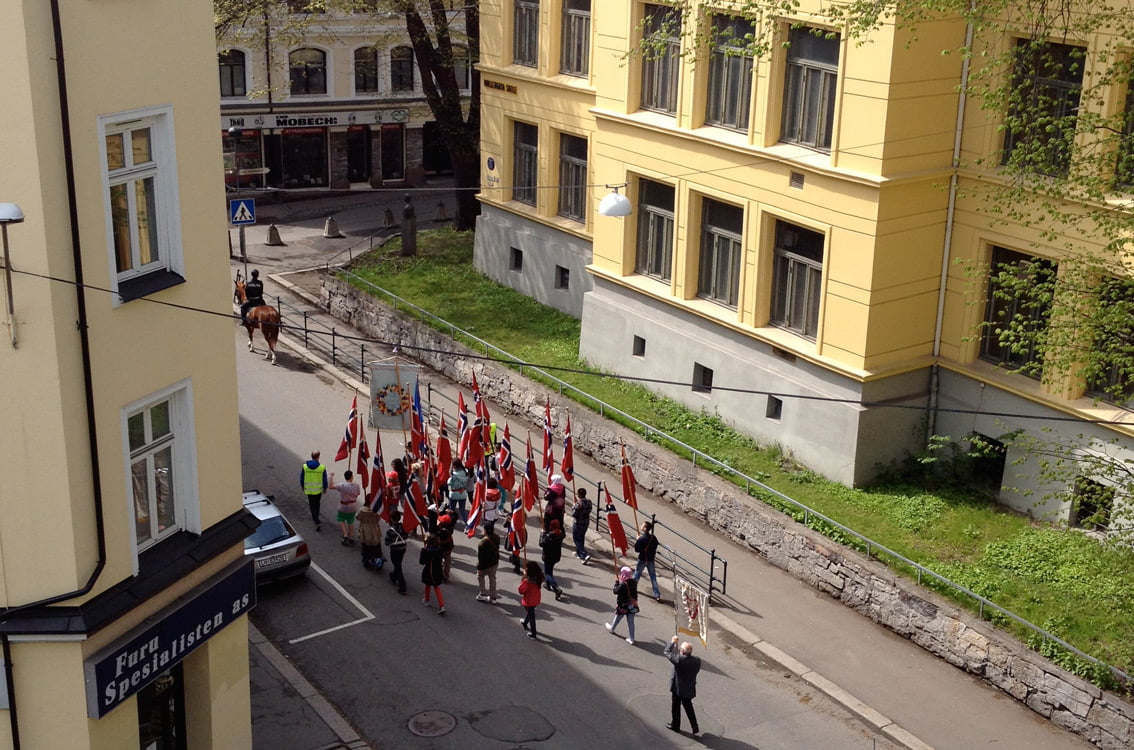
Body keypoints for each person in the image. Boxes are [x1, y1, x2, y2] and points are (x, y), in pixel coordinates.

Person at [664, 636, 702, 735]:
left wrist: (672, 642)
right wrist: (678, 648)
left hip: (677, 688)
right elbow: (678, 657)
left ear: (682, 651)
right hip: (688, 688)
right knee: (688, 706)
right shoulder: (697, 661)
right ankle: (694, 726)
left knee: (676, 707)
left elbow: (667, 652)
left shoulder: (679, 660)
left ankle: (675, 725)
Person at [605, 566, 639, 645]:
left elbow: (615, 591)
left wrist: (616, 583)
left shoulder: (622, 585)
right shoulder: (634, 582)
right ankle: (631, 638)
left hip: (623, 605)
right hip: (632, 605)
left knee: (617, 617)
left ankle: (612, 628)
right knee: (631, 622)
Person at [329, 470, 362, 546]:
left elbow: (330, 486)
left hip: (343, 506)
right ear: (351, 477)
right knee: (351, 521)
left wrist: (331, 477)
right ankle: (350, 536)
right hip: (353, 506)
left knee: (341, 519)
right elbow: (358, 494)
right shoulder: (356, 485)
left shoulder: (342, 485)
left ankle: (345, 534)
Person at [300, 450, 328, 531]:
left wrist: (302, 486)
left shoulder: (305, 466)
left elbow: (302, 478)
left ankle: (316, 519)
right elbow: (324, 479)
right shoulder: (321, 467)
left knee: (312, 505)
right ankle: (317, 518)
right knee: (317, 503)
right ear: (318, 457)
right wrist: (325, 488)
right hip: (318, 490)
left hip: (309, 490)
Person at [634, 521, 662, 600]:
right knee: (653, 576)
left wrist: (638, 540)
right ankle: (657, 594)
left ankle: (632, 588)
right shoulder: (653, 538)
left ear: (645, 528)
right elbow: (655, 545)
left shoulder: (642, 539)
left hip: (642, 559)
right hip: (651, 559)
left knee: (637, 573)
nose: (641, 526)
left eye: (642, 525)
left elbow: (637, 549)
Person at [419, 533, 446, 614]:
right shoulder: (439, 549)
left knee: (427, 584)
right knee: (436, 587)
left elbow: (422, 562)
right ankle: (441, 605)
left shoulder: (426, 551)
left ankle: (427, 600)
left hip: (429, 570)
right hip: (438, 570)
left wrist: (423, 551)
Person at [518, 560, 544, 640]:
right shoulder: (538, 577)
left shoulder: (527, 582)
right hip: (535, 598)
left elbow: (521, 590)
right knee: (530, 612)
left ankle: (533, 633)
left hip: (529, 601)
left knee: (531, 615)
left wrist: (523, 578)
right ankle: (525, 623)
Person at [539, 519, 565, 601]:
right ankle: (547, 584)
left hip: (548, 556)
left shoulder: (549, 536)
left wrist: (542, 534)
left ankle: (556, 587)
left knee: (547, 573)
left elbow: (541, 543)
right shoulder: (560, 534)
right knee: (550, 570)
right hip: (556, 556)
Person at [384, 510, 408, 594]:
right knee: (398, 563)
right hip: (403, 548)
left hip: (395, 550)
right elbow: (406, 536)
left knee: (397, 566)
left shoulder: (390, 531)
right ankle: (393, 576)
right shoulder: (403, 527)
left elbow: (387, 542)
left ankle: (403, 585)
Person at [475, 522, 500, 603]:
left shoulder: (482, 543)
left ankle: (482, 593)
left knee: (480, 576)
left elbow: (481, 558)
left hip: (486, 564)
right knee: (492, 579)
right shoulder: (497, 537)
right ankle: (493, 597)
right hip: (495, 562)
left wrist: (479, 567)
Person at [356, 501, 384, 569]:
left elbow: (358, 517)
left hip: (365, 530)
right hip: (375, 529)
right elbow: (379, 519)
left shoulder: (362, 510)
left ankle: (366, 561)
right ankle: (378, 560)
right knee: (376, 546)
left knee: (365, 547)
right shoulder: (377, 510)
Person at [570, 487, 593, 562]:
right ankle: (579, 553)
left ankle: (584, 554)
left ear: (579, 495)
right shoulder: (589, 502)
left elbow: (574, 514)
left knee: (576, 538)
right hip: (586, 522)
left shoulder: (578, 504)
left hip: (578, 523)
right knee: (581, 537)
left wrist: (574, 506)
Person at [436, 504, 457, 581]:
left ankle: (439, 574)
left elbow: (435, 533)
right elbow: (455, 517)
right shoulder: (450, 527)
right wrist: (452, 513)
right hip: (449, 547)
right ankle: (446, 576)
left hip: (441, 547)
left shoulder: (440, 531)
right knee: (447, 563)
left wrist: (437, 525)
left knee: (439, 561)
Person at [446, 458, 470, 525]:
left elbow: (449, 483)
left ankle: (448, 523)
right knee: (462, 510)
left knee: (451, 510)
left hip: (454, 494)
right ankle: (468, 524)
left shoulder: (454, 474)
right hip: (463, 493)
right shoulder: (465, 472)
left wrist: (450, 476)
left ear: (455, 465)